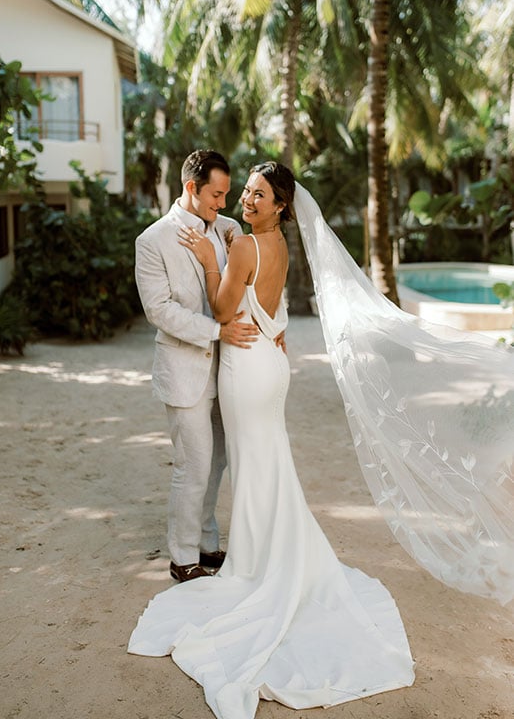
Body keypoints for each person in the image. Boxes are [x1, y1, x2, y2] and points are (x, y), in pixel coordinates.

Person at [128, 162, 416, 719]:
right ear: (196, 190)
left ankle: (252, 564)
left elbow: (222, 308)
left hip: (244, 366)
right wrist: (266, 320)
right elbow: (256, 303)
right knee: (259, 463)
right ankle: (242, 550)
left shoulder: (236, 244)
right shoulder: (272, 241)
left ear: (282, 204)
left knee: (251, 463)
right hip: (262, 364)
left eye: (255, 195)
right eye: (236, 193)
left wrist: (214, 265)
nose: (241, 201)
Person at [134, 149, 259, 583]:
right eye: (216, 195)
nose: (224, 204)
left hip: (229, 371)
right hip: (184, 371)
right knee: (194, 464)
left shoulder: (229, 230)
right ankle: (183, 556)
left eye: (226, 195)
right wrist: (215, 331)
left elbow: (239, 286)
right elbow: (159, 310)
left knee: (218, 461)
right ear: (192, 187)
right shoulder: (152, 241)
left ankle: (208, 543)